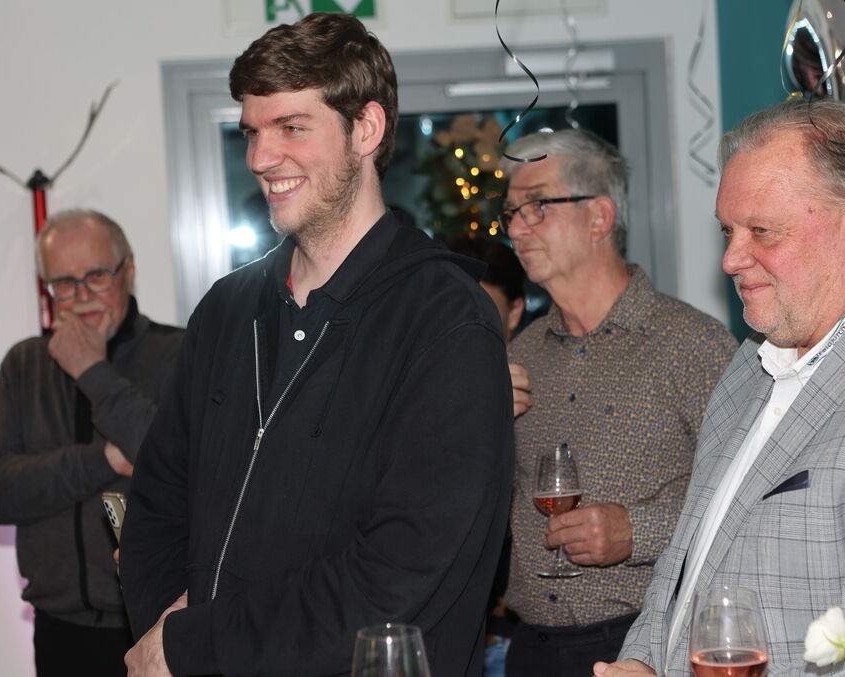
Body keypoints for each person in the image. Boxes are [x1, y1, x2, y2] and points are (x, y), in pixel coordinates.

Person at [119, 12, 514, 677]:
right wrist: (169, 633)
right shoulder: (228, 309)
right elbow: (157, 504)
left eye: (291, 127)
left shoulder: (447, 322)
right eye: (252, 132)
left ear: (366, 129)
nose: (260, 158)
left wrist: (199, 642)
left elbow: (396, 577)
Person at [597, 99, 845, 676]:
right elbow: (688, 553)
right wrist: (645, 660)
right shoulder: (753, 360)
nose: (731, 258)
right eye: (728, 231)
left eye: (762, 231)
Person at [498, 129, 736, 677]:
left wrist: (639, 532)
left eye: (537, 205)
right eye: (511, 212)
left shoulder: (693, 346)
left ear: (599, 217)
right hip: (529, 650)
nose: (516, 227)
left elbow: (748, 503)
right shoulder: (518, 356)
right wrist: (475, 422)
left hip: (645, 649)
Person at [0, 209, 184, 677]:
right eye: (64, 283)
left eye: (96, 276)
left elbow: (171, 463)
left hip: (160, 624)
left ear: (128, 269)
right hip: (58, 628)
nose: (82, 295)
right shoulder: (24, 364)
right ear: (46, 288)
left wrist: (91, 370)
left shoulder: (179, 353)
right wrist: (105, 458)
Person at [448, 234, 526, 677]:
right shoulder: (426, 385)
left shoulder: (536, 372)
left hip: (517, 622)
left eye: (485, 313)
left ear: (515, 311)